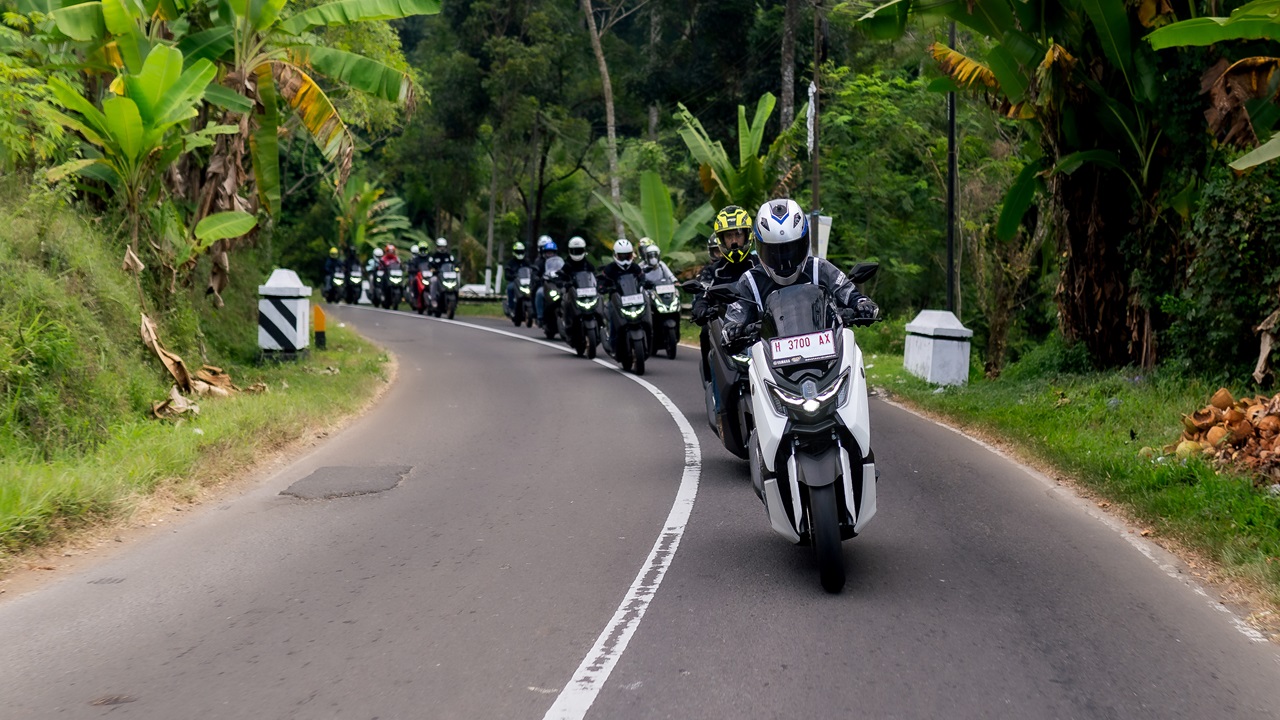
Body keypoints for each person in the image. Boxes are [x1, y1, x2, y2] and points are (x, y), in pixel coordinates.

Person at [721, 198, 878, 351]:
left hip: (827, 356)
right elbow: (734, 317)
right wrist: (732, 329)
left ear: (804, 243)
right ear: (760, 247)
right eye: (774, 252)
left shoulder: (820, 268)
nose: (784, 260)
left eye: (790, 249)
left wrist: (863, 304)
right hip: (770, 364)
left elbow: (850, 293)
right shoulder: (750, 282)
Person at [691, 205, 759, 382]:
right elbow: (701, 294)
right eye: (729, 236)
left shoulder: (761, 265)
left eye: (738, 234)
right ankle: (713, 386)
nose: (734, 241)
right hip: (725, 330)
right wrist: (700, 308)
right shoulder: (713, 271)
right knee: (706, 330)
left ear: (747, 235)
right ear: (722, 239)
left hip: (760, 325)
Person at [597, 238, 648, 353]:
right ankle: (612, 341)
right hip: (616, 301)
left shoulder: (635, 267)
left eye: (627, 256)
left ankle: (651, 337)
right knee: (611, 315)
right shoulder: (610, 268)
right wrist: (602, 287)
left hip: (635, 299)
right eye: (622, 256)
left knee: (648, 313)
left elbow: (642, 277)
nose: (625, 259)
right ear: (615, 255)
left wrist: (645, 283)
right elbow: (601, 280)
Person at [533, 239, 562, 325]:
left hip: (558, 285)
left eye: (552, 252)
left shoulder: (559, 262)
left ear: (555, 252)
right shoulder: (540, 262)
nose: (550, 254)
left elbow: (565, 270)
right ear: (544, 253)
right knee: (539, 293)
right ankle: (540, 317)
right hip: (545, 285)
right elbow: (535, 272)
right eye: (548, 252)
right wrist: (537, 277)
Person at [504, 241, 530, 311]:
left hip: (525, 282)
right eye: (518, 252)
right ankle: (511, 306)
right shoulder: (510, 263)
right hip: (514, 282)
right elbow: (507, 273)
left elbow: (531, 270)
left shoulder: (526, 262)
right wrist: (511, 276)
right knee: (510, 288)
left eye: (521, 251)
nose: (520, 253)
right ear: (514, 252)